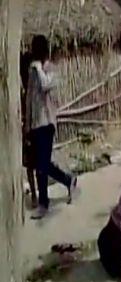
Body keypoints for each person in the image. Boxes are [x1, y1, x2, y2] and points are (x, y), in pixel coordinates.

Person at [25, 35, 77, 219]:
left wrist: (39, 69)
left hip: (47, 123)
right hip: (36, 124)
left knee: (41, 166)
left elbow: (47, 85)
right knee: (43, 164)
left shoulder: (50, 69)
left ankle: (43, 203)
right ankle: (68, 180)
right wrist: (27, 126)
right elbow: (30, 99)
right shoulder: (32, 71)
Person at [21, 51, 37, 207]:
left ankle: (35, 196)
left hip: (32, 130)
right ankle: (35, 195)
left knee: (33, 166)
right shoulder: (26, 91)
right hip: (31, 130)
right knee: (31, 166)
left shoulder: (30, 91)